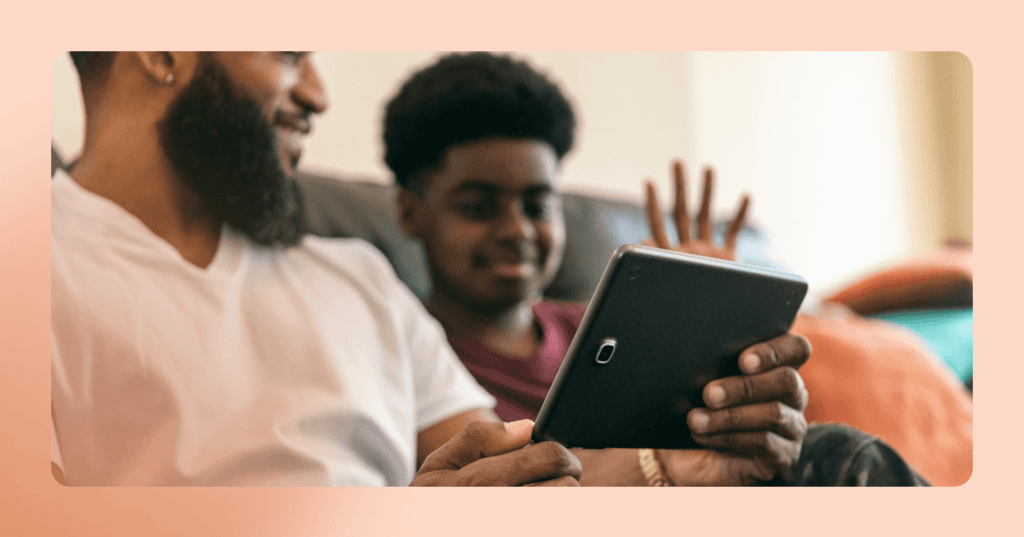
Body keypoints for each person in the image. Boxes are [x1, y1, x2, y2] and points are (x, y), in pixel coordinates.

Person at [385, 51, 929, 486]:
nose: (517, 230)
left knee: (836, 453)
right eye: (478, 207)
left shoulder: (600, 325)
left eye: (537, 205)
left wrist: (705, 329)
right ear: (409, 211)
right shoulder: (404, 360)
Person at [51, 51, 582, 487]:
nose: (318, 94)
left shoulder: (359, 277)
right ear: (162, 50)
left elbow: (510, 475)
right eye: (289, 54)